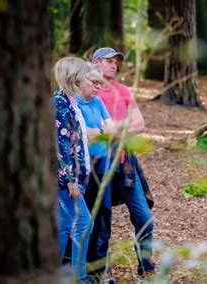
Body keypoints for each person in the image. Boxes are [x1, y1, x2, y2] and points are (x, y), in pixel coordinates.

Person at [92, 47, 155, 278]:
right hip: (98, 166)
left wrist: (112, 130)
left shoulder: (124, 90)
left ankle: (146, 268)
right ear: (96, 62)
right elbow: (91, 131)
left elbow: (140, 124)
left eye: (116, 61)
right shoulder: (89, 92)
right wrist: (118, 129)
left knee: (144, 217)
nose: (114, 65)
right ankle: (101, 270)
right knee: (101, 221)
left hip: (125, 163)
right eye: (109, 61)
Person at [75, 63, 118, 282]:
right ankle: (81, 269)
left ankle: (99, 267)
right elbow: (82, 133)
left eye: (101, 84)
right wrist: (101, 131)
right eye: (94, 83)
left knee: (103, 216)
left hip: (104, 165)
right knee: (85, 217)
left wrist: (98, 132)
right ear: (81, 80)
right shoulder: (73, 104)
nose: (98, 87)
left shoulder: (98, 102)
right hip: (84, 168)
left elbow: (113, 128)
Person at [53, 57, 94, 283]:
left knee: (64, 226)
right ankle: (80, 278)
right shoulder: (58, 103)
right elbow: (60, 145)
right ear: (73, 76)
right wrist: (69, 179)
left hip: (76, 175)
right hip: (65, 179)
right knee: (84, 223)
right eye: (83, 73)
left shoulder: (71, 101)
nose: (86, 77)